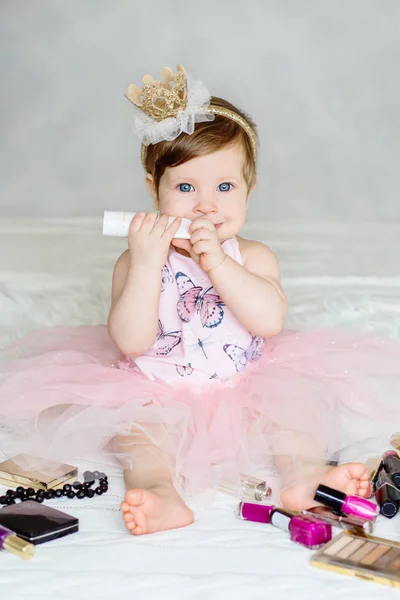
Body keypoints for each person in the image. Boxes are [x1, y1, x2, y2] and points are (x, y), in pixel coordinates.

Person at [0, 65, 399, 536]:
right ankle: (161, 493)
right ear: (155, 190)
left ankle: (304, 477)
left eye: (224, 187)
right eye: (186, 188)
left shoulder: (251, 256)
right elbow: (130, 341)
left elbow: (269, 321)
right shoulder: (138, 259)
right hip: (155, 387)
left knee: (293, 421)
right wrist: (147, 264)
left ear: (250, 191)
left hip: (247, 381)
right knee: (142, 439)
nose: (206, 205)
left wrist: (221, 267)